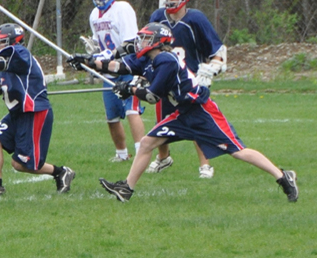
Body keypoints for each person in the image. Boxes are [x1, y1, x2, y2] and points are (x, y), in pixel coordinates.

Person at [69, 23, 298, 202]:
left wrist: (129, 88)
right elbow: (117, 66)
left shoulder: (166, 61)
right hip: (182, 113)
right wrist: (88, 62)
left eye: (146, 39)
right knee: (148, 143)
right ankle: (126, 189)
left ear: (158, 42)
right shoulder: (149, 60)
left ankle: (282, 176)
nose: (140, 43)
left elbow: (152, 96)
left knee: (237, 151)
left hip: (201, 112)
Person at [0, 23, 76, 196]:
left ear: (11, 40)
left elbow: (1, 63)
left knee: (20, 164)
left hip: (34, 112)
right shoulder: (7, 64)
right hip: (18, 112)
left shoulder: (19, 53)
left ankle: (61, 172)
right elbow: (2, 90)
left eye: (0, 42)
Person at [147, 0, 227, 178]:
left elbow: (217, 51)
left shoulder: (196, 19)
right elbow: (147, 46)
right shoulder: (158, 17)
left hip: (189, 81)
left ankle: (205, 165)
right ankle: (163, 158)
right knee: (162, 121)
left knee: (196, 122)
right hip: (166, 79)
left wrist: (211, 68)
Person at [85, 0, 145, 162]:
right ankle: (121, 153)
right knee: (111, 115)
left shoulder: (122, 9)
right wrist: (93, 49)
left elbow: (130, 42)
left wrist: (108, 55)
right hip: (107, 69)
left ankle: (140, 153)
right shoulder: (94, 14)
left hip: (127, 66)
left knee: (131, 110)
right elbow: (98, 41)